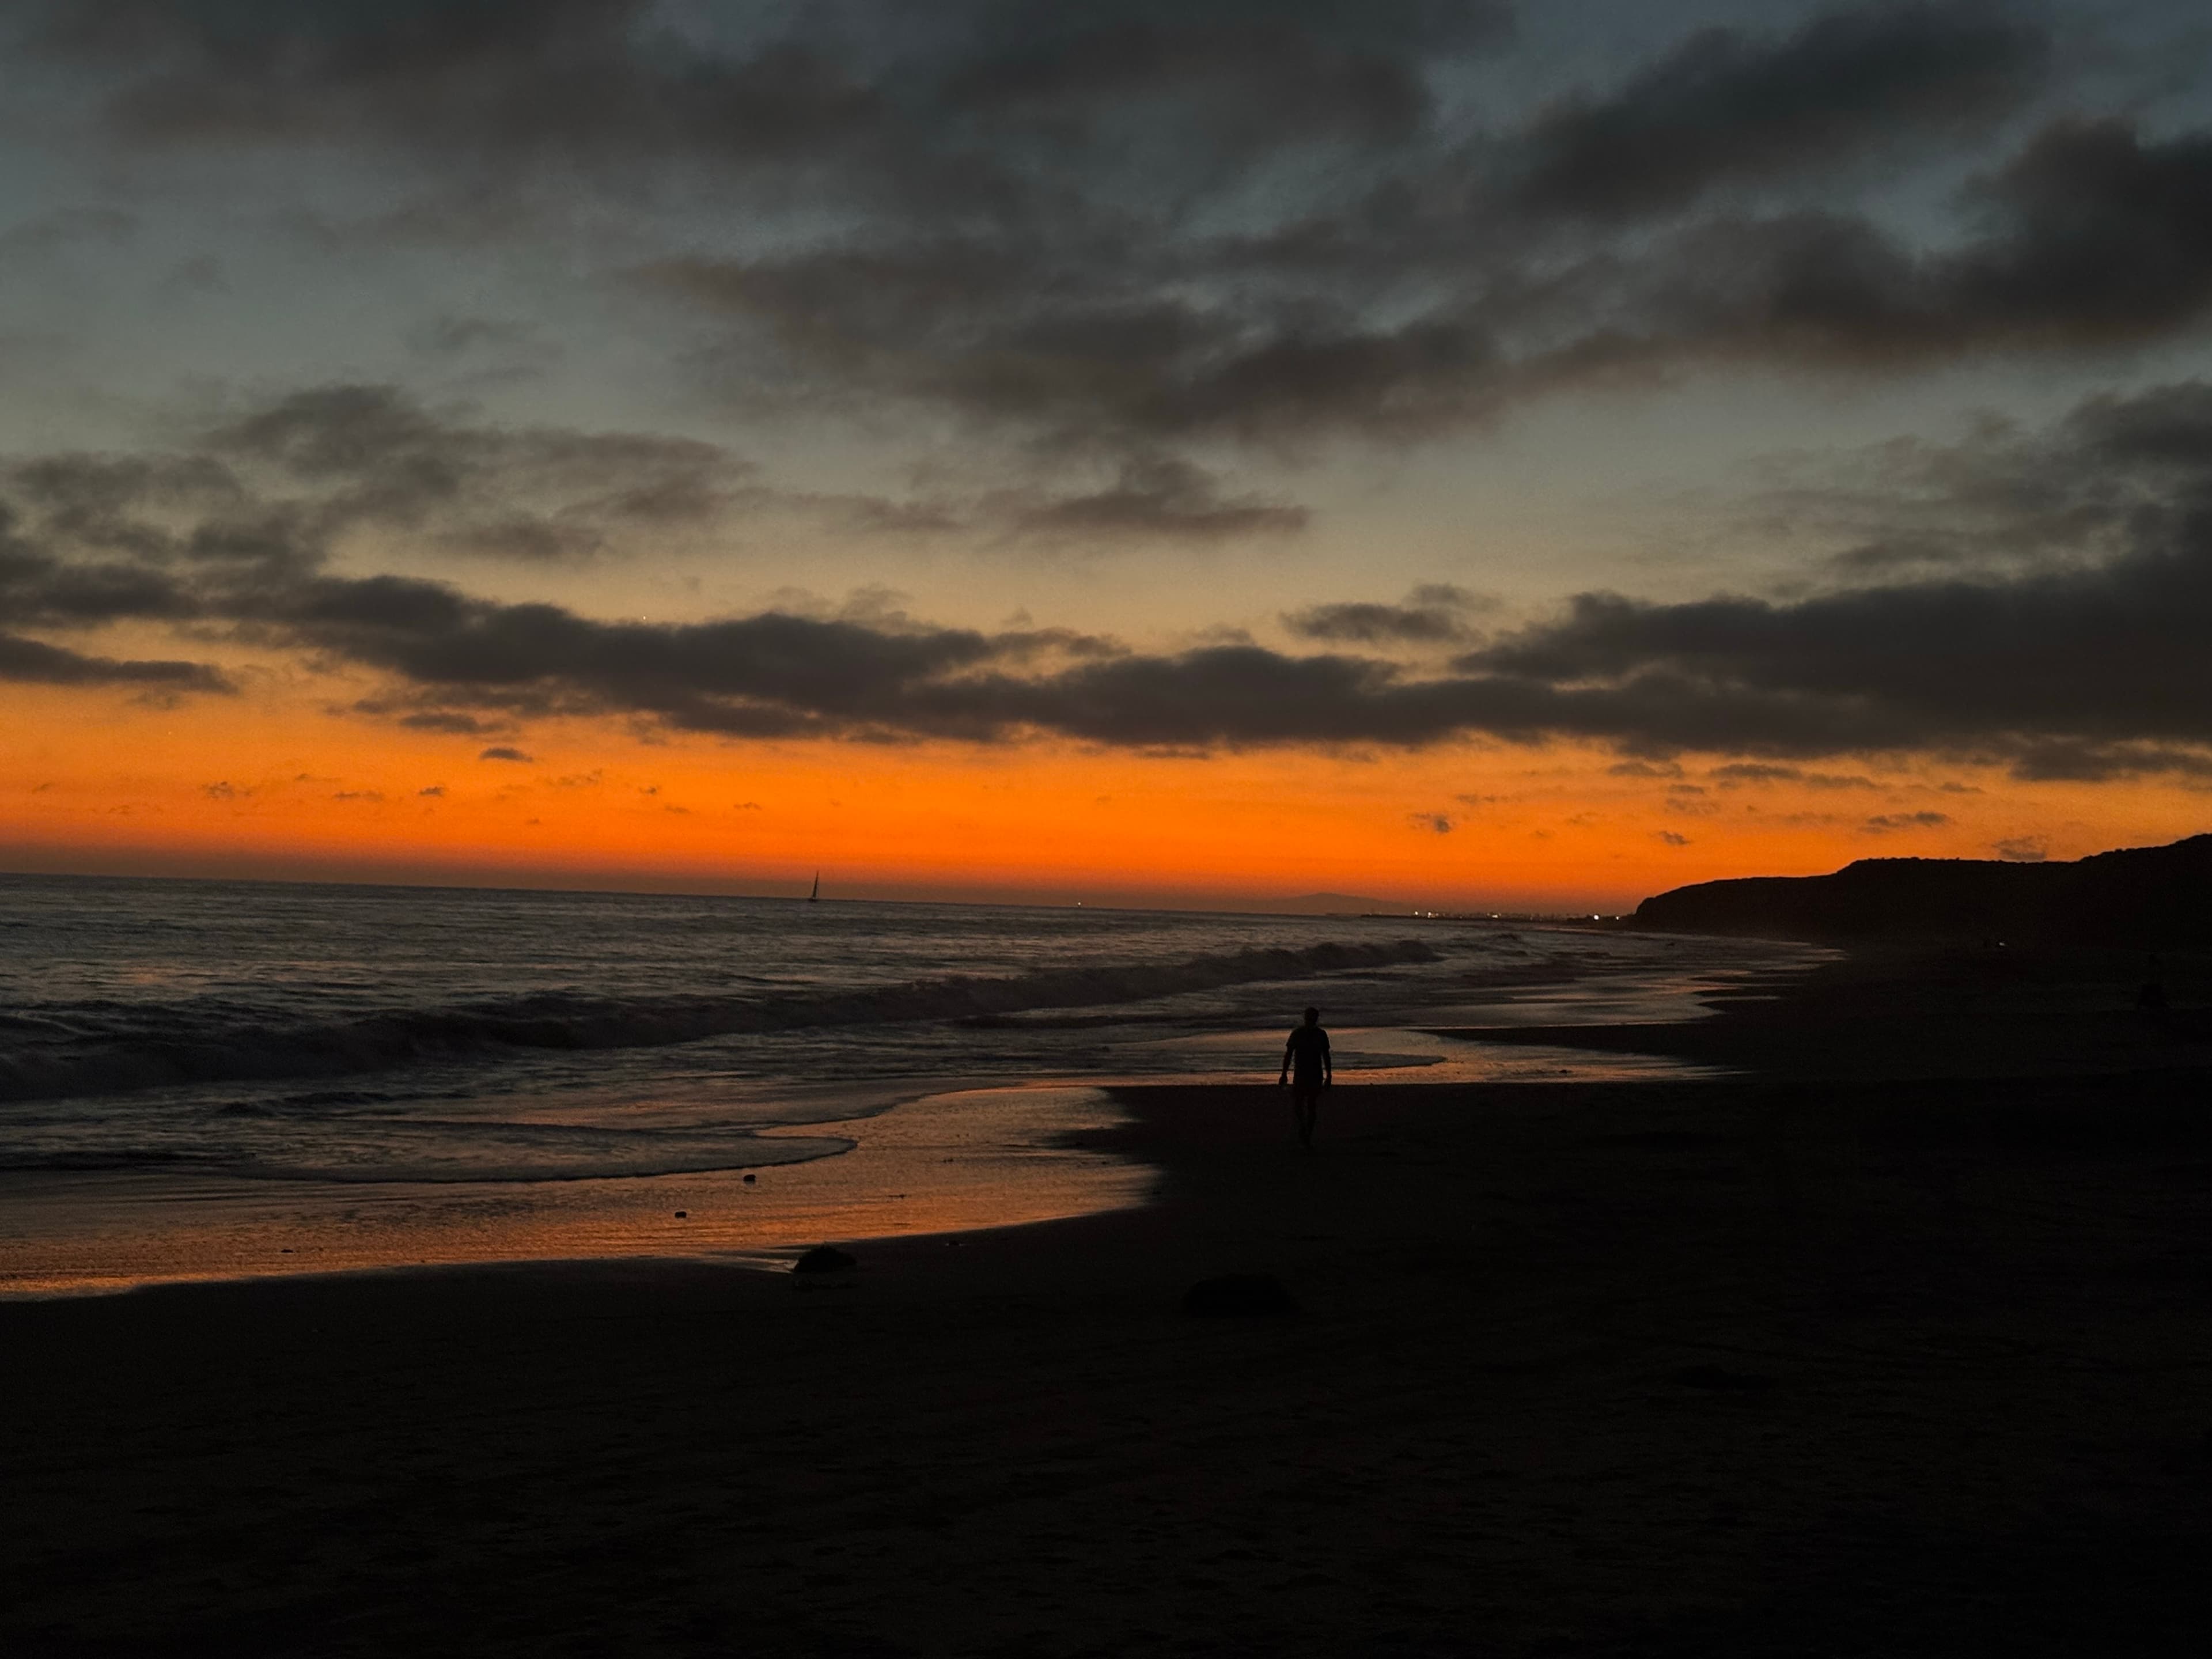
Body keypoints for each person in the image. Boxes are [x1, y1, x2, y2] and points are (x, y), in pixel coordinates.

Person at [1279, 1006, 1331, 1147]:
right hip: (1306, 1073)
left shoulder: (1312, 1034)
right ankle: (1305, 1131)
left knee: (1306, 1104)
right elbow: (1289, 1055)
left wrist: (1329, 1075)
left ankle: (1306, 1133)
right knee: (1304, 1105)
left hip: (1309, 1073)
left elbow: (1326, 1056)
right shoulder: (1305, 1034)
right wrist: (1284, 1073)